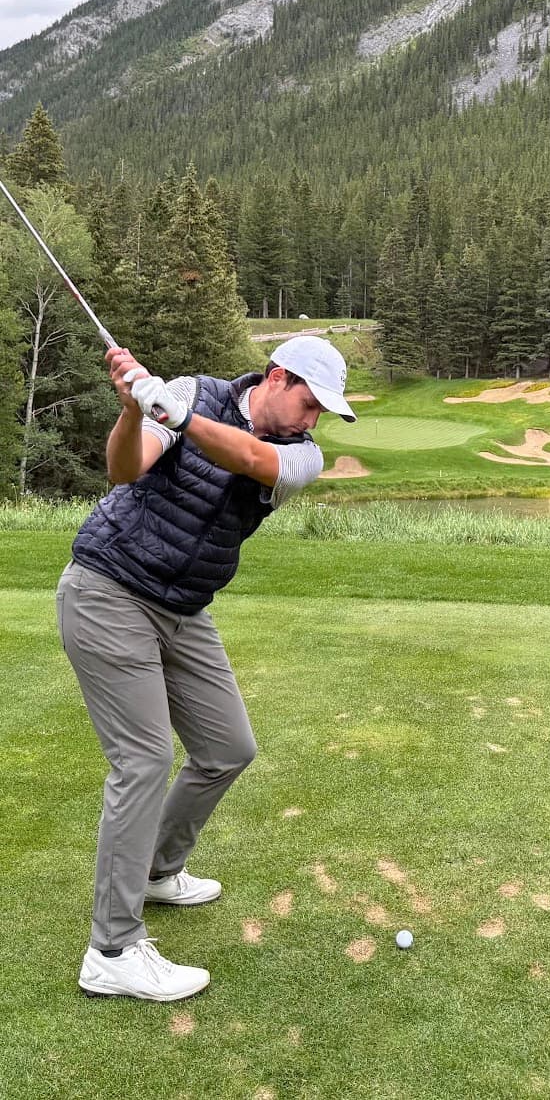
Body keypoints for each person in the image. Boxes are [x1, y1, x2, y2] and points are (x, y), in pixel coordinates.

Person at [56, 335, 356, 1002]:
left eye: (322, 415)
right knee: (142, 759)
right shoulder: (193, 391)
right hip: (108, 588)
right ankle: (111, 949)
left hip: (184, 607)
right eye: (309, 404)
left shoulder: (302, 456)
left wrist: (177, 416)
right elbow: (124, 473)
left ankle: (160, 872)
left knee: (227, 749)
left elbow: (249, 456)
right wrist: (137, 408)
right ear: (276, 377)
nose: (314, 422)